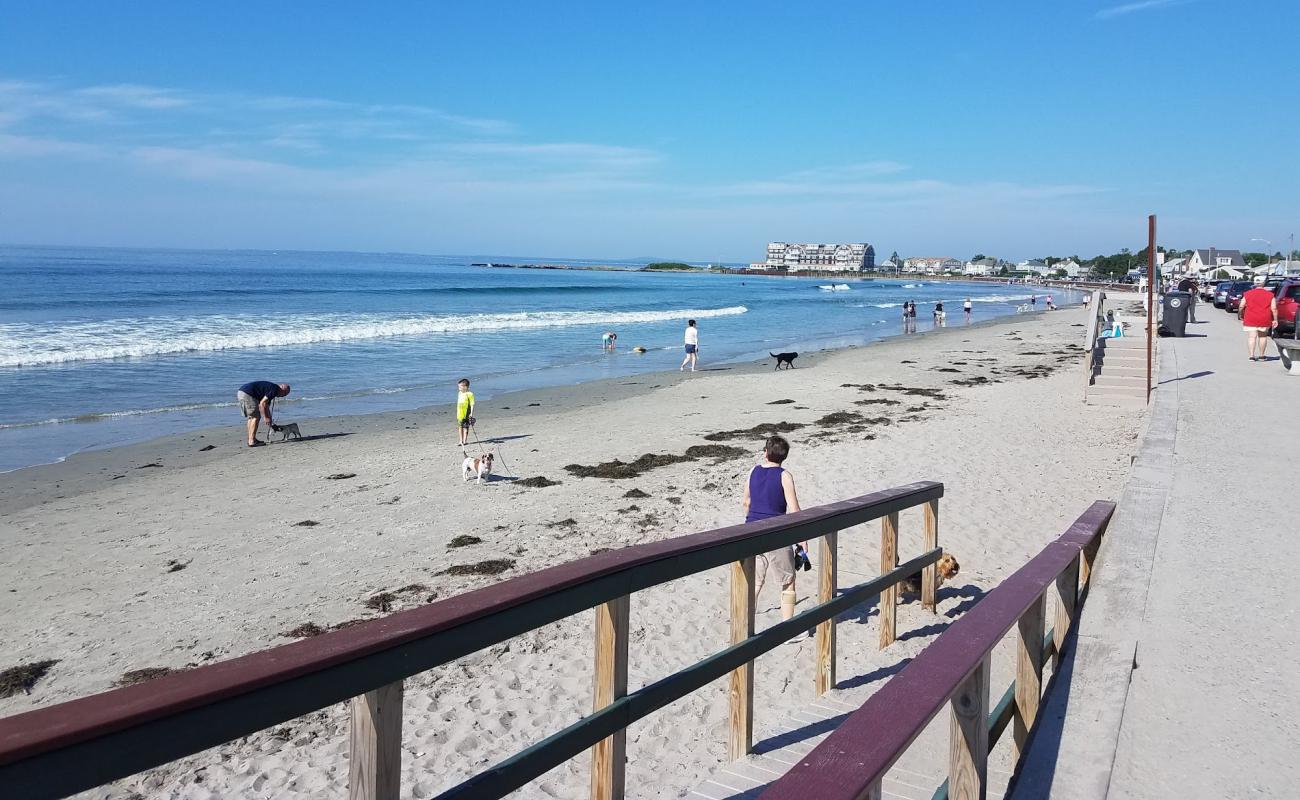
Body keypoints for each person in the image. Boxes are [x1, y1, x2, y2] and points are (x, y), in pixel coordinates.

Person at [741, 435, 806, 621]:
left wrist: (750, 520)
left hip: (751, 530)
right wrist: (803, 540)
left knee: (754, 581)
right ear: (784, 456)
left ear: (765, 454)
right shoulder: (785, 475)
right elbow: (795, 510)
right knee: (788, 581)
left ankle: (745, 621)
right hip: (777, 533)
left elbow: (746, 502)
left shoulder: (753, 471)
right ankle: (787, 627)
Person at [236, 381, 290, 447]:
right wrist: (266, 417)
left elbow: (266, 406)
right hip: (248, 393)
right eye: (284, 394)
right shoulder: (275, 389)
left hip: (241, 392)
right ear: (282, 390)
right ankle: (252, 441)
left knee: (251, 417)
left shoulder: (271, 389)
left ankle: (251, 439)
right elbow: (262, 403)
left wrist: (270, 420)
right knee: (256, 417)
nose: (282, 396)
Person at [1239, 276, 1278, 362]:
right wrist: (1275, 319)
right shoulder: (1270, 295)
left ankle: (1251, 356)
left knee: (1251, 337)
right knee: (1263, 337)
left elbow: (1241, 305)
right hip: (1264, 318)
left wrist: (1240, 314)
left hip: (1250, 318)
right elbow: (1274, 308)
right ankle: (1261, 355)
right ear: (1264, 283)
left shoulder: (1247, 293)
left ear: (1254, 283)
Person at [456, 378, 475, 446]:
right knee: (460, 427)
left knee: (466, 428)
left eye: (460, 387)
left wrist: (471, 413)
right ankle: (460, 440)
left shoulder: (470, 394)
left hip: (467, 414)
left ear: (465, 387)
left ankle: (465, 440)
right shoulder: (459, 393)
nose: (459, 388)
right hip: (459, 414)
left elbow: (472, 404)